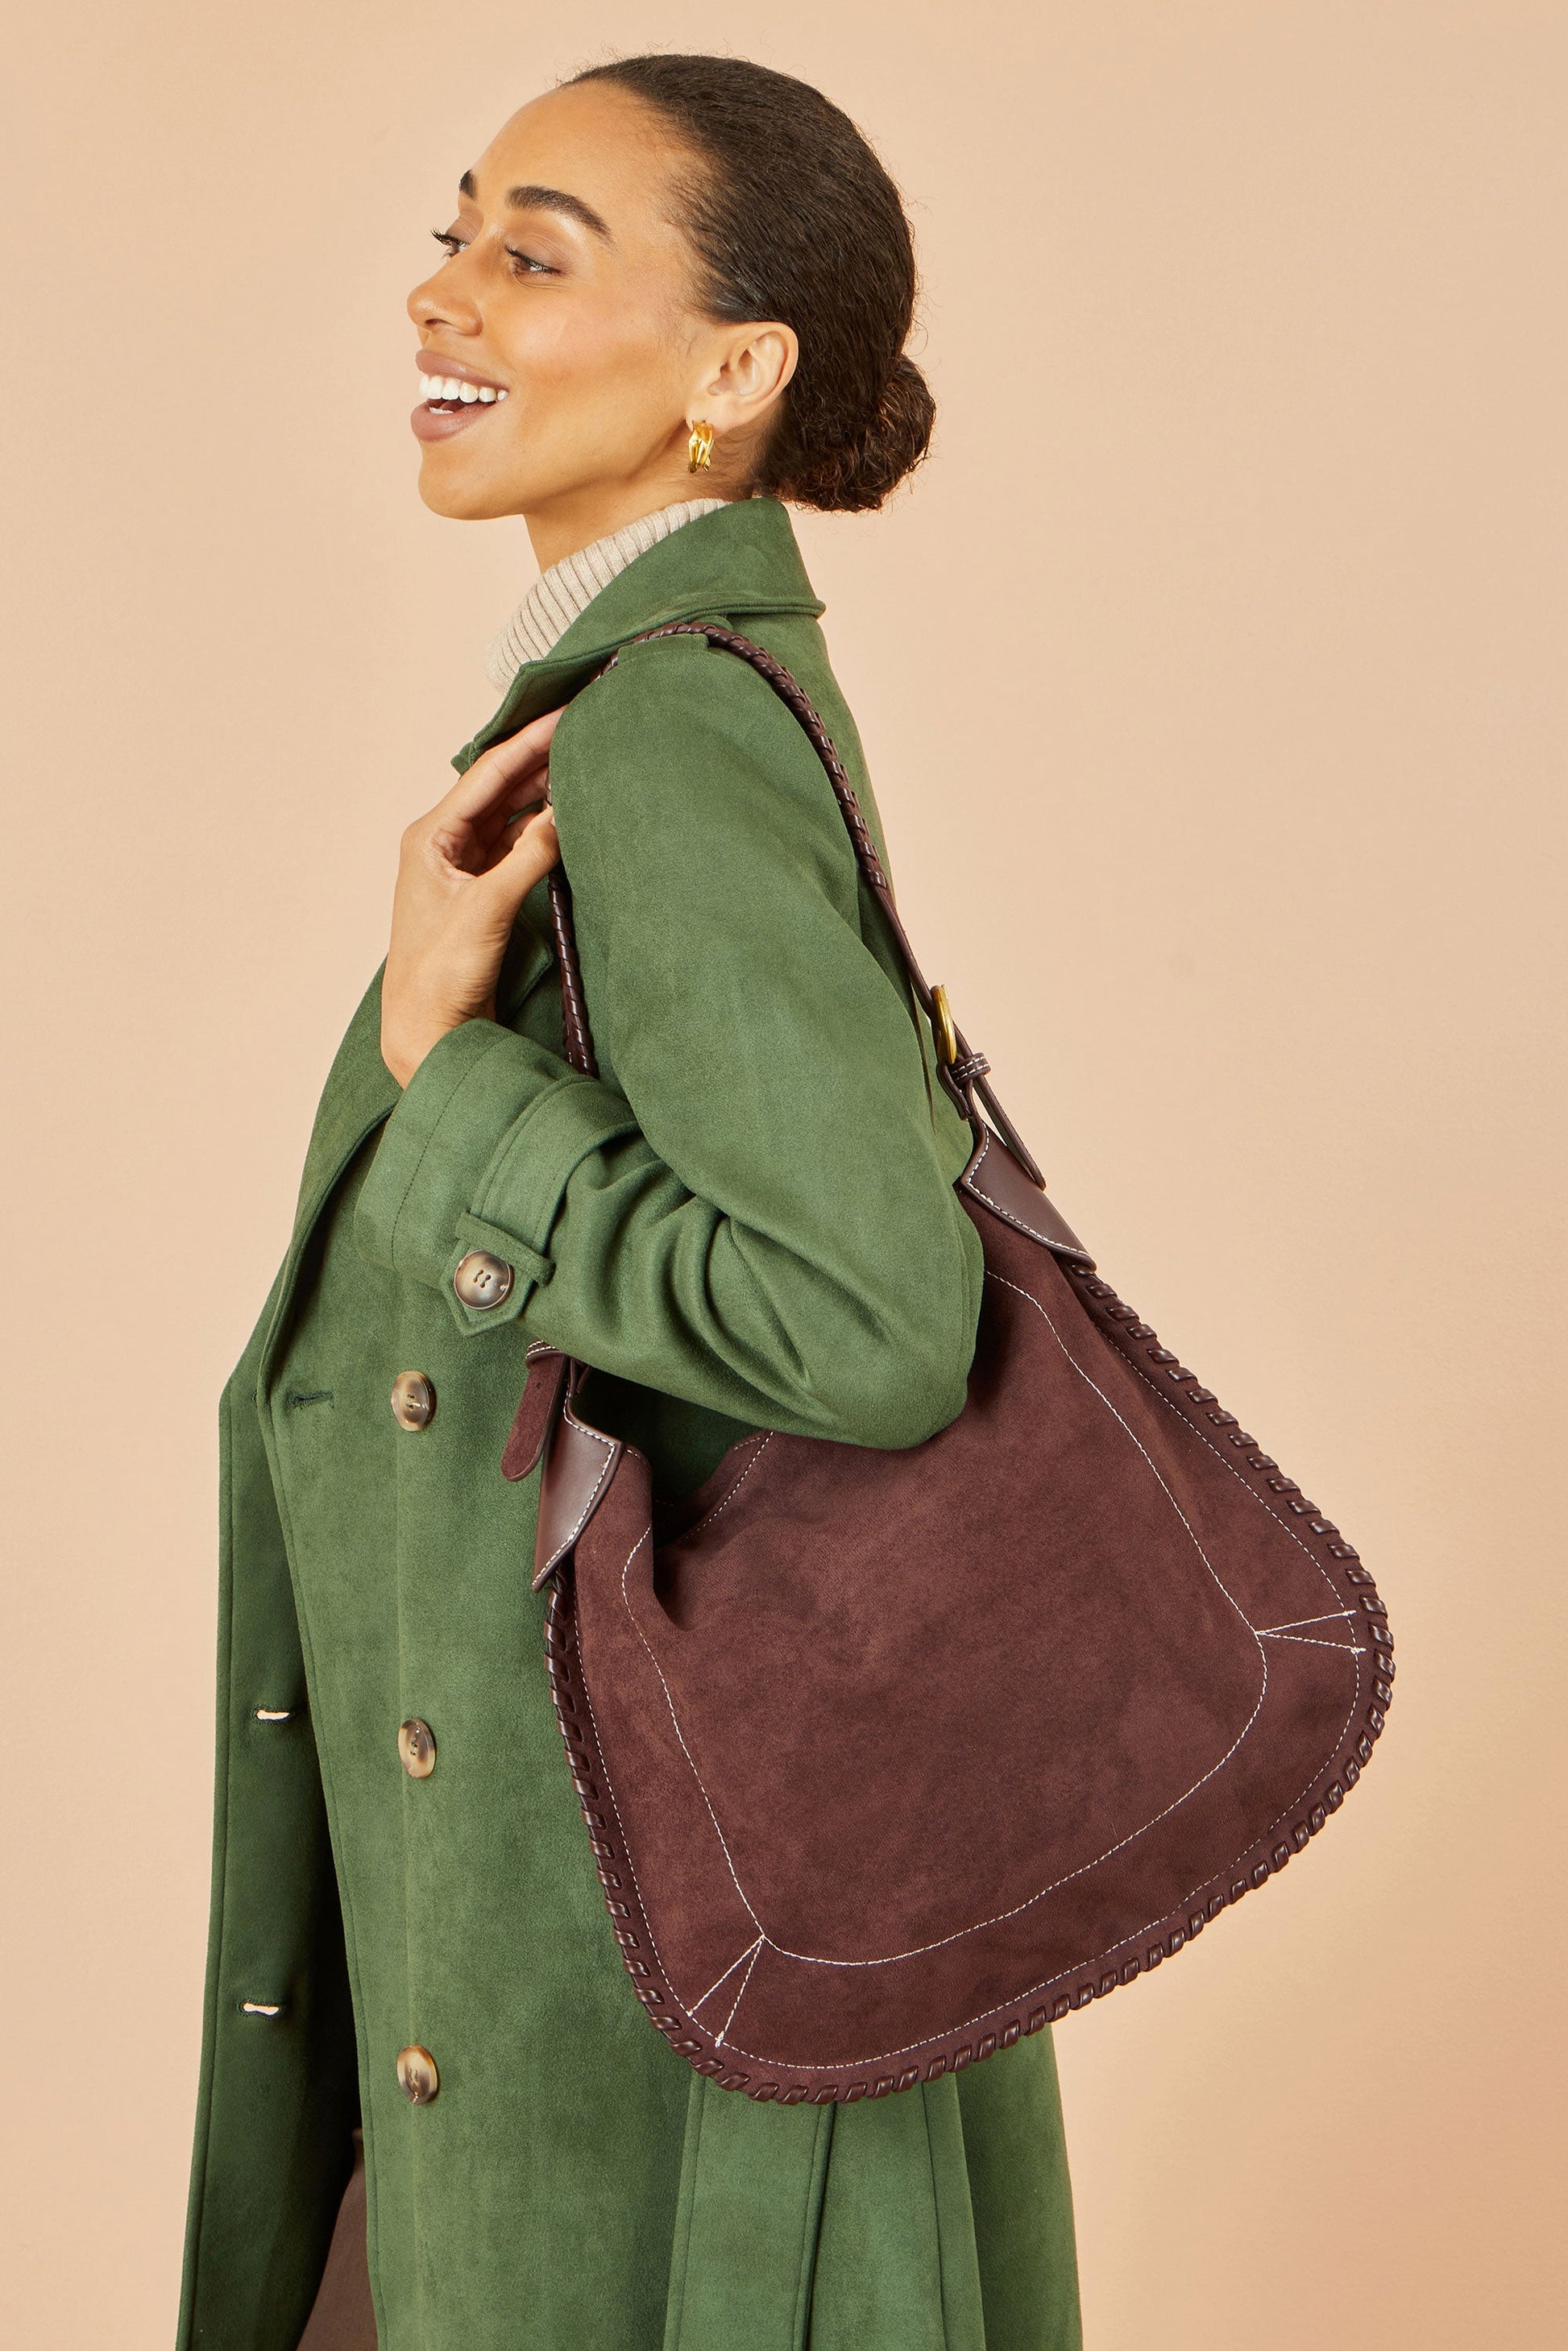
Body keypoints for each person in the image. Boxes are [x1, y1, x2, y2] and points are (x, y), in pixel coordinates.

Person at [176, 52, 1081, 2351]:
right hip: (612, 1923)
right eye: (455, 231)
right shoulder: (649, 692)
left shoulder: (669, 723)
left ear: (732, 375)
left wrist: (444, 1070)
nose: (441, 294)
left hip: (613, 1971)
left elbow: (865, 1323)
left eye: (531, 254)